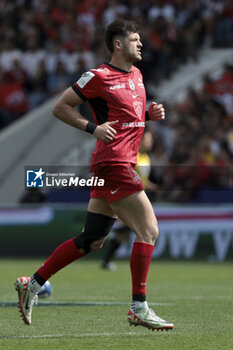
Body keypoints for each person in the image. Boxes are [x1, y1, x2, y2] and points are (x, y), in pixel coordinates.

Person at [15, 19, 174, 331]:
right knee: (149, 230)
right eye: (135, 39)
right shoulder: (98, 76)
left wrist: (148, 114)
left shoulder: (138, 76)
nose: (141, 44)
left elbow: (127, 115)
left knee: (92, 240)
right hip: (113, 163)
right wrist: (92, 127)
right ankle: (138, 306)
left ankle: (31, 284)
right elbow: (60, 107)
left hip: (117, 163)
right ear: (118, 43)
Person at [101, 129, 159, 271]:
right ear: (141, 138)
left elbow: (143, 181)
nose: (150, 142)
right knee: (143, 230)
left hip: (139, 198)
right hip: (127, 198)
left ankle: (106, 259)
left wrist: (156, 188)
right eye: (148, 138)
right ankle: (113, 230)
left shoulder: (146, 158)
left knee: (126, 233)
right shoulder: (132, 156)